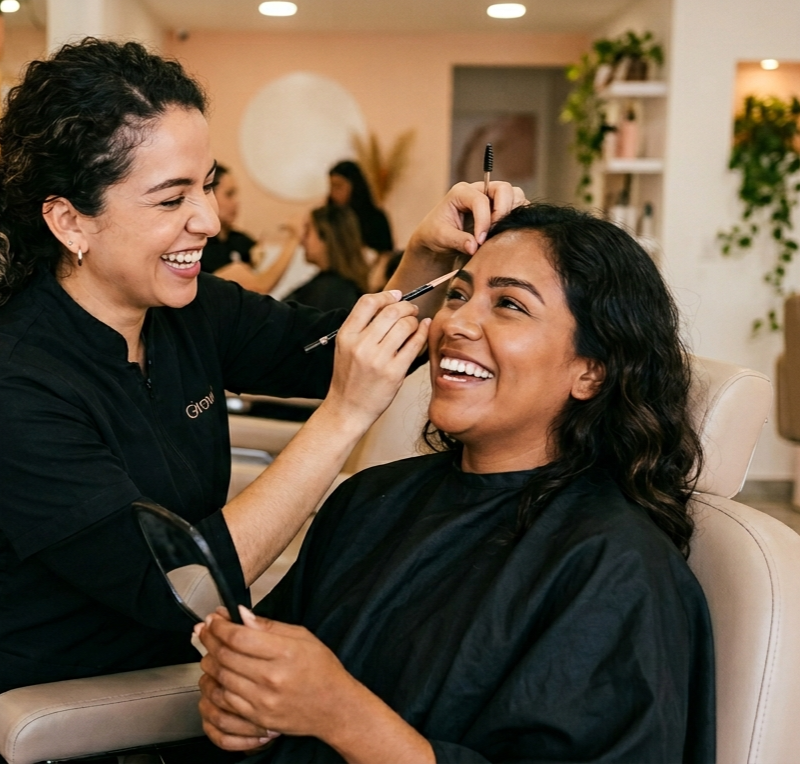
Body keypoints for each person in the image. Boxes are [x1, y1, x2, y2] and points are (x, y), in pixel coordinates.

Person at [0, 38, 523, 763]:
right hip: (18, 724)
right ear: (69, 221)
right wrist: (345, 416)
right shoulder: (10, 387)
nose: (210, 221)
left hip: (161, 693)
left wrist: (429, 257)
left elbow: (325, 351)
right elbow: (176, 587)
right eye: (173, 197)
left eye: (208, 185)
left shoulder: (187, 313)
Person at [196, 204, 715, 764]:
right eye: (459, 295)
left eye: (510, 305)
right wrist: (238, 700)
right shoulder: (370, 499)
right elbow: (262, 673)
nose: (456, 325)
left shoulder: (616, 567)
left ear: (592, 371)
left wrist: (342, 713)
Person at [202, 163, 294, 295]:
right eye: (229, 194)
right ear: (208, 197)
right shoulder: (199, 246)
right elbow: (260, 286)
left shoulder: (241, 241)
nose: (236, 202)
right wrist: (294, 238)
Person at [283, 204, 370, 312]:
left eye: (307, 231)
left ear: (326, 237)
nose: (302, 240)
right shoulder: (334, 286)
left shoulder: (332, 290)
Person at [327, 160, 394, 253]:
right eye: (331, 187)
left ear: (354, 186)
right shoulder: (331, 219)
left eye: (338, 186)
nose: (333, 193)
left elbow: (387, 254)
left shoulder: (376, 219)